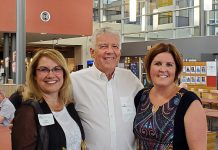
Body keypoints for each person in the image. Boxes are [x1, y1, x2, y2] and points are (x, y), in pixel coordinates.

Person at [70, 27, 144, 150]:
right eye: (103, 46)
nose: (110, 51)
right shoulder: (75, 81)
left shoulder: (130, 79)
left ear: (119, 52)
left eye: (115, 46)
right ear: (92, 52)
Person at [133, 43, 207, 150]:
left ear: (176, 70)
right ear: (149, 67)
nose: (163, 69)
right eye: (158, 63)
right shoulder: (141, 96)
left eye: (169, 65)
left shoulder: (189, 102)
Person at [12, 49, 86, 150]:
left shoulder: (68, 105)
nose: (51, 75)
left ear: (64, 74)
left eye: (57, 69)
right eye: (43, 69)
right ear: (34, 75)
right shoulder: (28, 111)